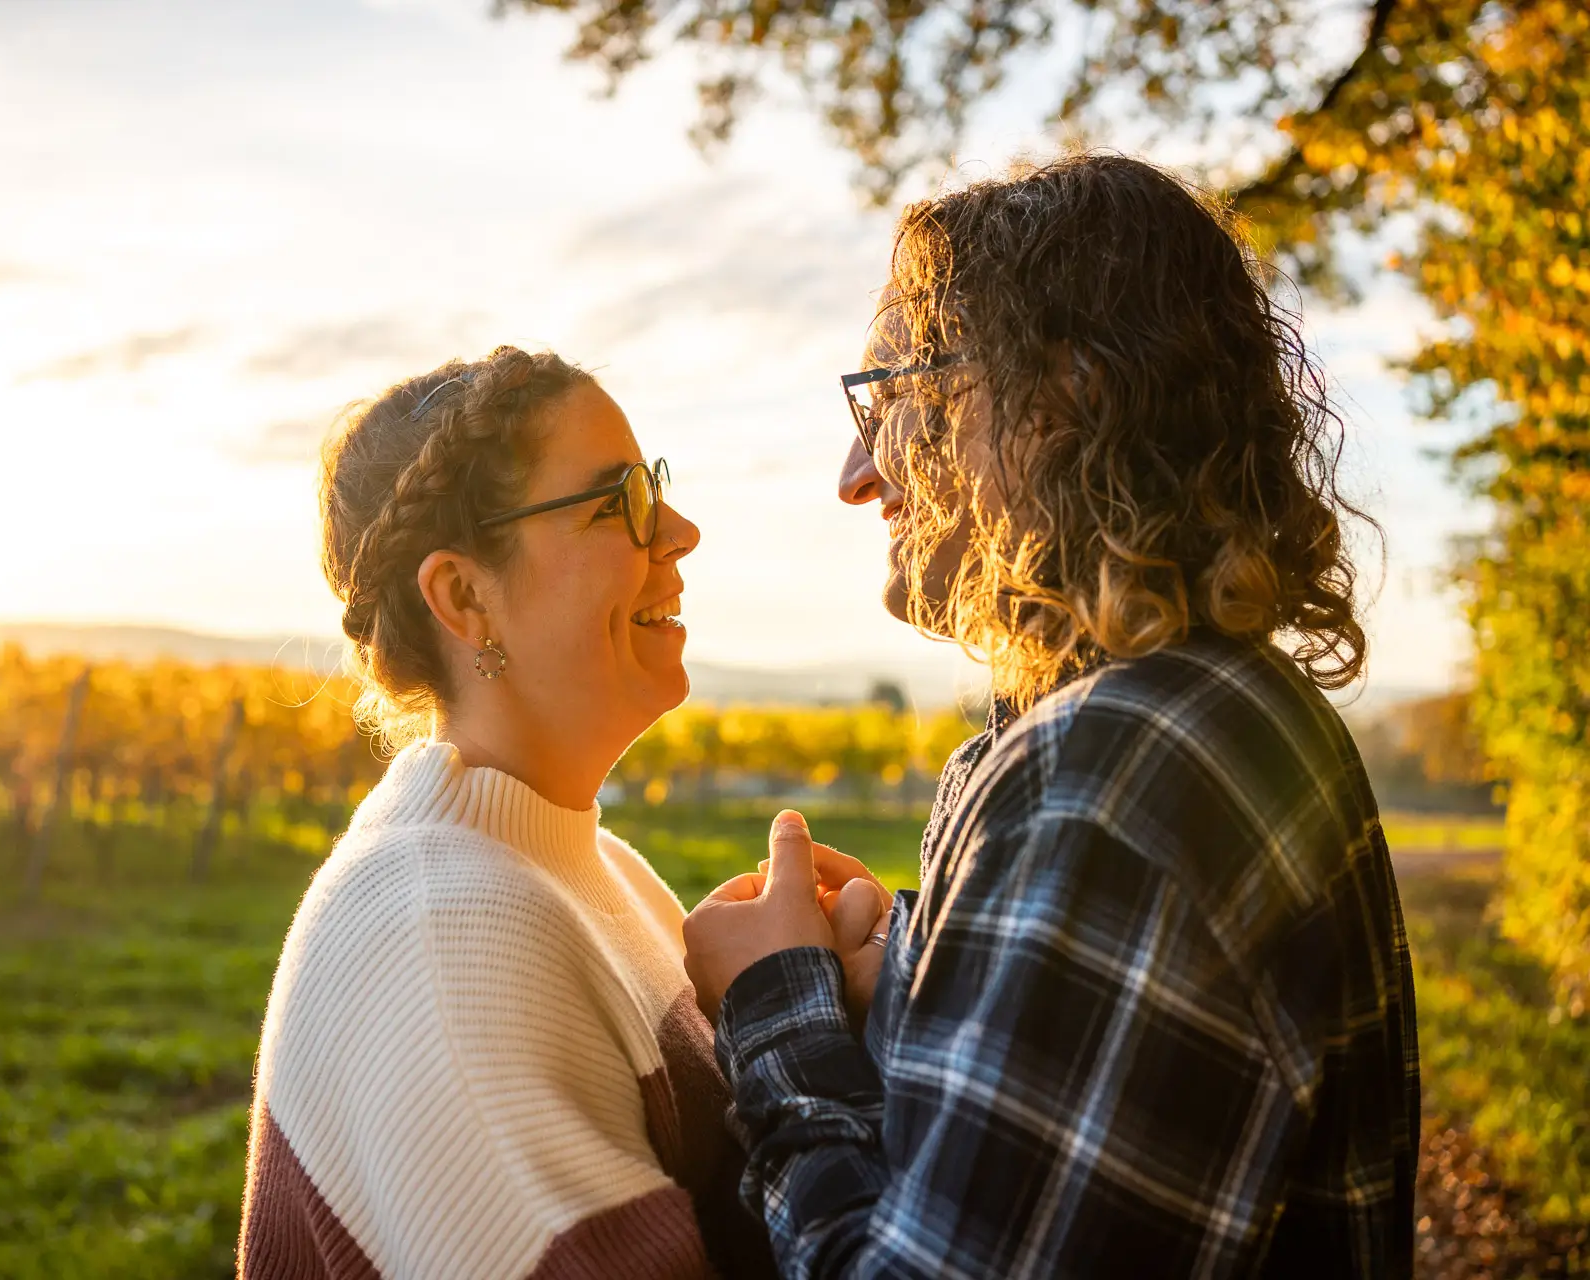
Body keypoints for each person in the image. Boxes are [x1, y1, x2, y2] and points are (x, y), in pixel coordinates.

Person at [682, 155, 1421, 1277]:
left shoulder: (1120, 767)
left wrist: (775, 1011)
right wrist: (910, 987)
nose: (855, 471)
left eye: (892, 395)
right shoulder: (1174, 715)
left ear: (1064, 399)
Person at [239, 347, 774, 1279]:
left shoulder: (592, 871)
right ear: (464, 597)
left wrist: (821, 1005)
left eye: (656, 488)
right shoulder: (439, 935)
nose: (679, 530)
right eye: (623, 504)